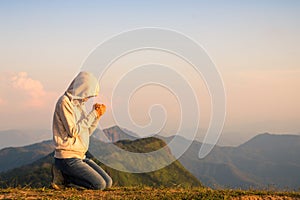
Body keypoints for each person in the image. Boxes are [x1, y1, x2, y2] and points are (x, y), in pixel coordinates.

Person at [51, 71, 112, 190]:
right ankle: (64, 177)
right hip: (67, 158)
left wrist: (97, 117)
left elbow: (86, 132)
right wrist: (93, 114)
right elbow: (73, 131)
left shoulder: (79, 104)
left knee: (108, 182)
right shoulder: (64, 103)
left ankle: (66, 176)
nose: (88, 98)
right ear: (82, 88)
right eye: (88, 94)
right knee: (99, 185)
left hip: (80, 156)